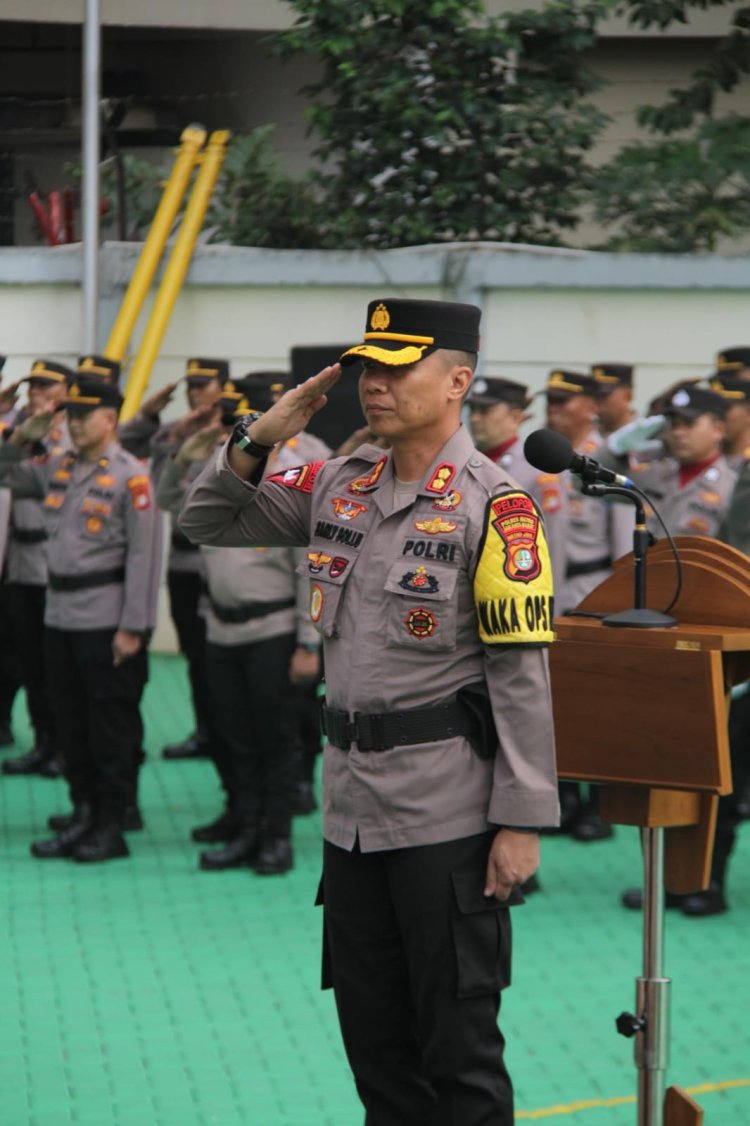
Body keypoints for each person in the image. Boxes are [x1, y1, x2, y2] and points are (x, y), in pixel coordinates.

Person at [180, 297, 559, 1125]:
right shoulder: (336, 485)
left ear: (458, 380)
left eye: (398, 368)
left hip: (447, 815)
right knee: (377, 1050)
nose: (375, 386)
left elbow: (521, 675)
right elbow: (205, 517)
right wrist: (261, 432)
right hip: (351, 813)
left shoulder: (500, 506)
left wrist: (522, 821)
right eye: (369, 369)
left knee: (458, 1054)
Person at [156, 378, 322, 873]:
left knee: (275, 738)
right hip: (221, 627)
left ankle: (275, 836)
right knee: (232, 735)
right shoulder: (219, 473)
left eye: (245, 424)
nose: (236, 432)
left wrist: (307, 642)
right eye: (234, 425)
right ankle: (244, 822)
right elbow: (173, 505)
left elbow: (309, 570)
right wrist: (183, 454)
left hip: (270, 630)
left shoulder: (291, 481)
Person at [0, 376, 162, 863]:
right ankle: (83, 813)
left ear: (110, 419)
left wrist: (134, 627)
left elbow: (144, 558)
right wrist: (27, 432)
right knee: (71, 725)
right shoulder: (60, 467)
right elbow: (5, 469)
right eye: (68, 416)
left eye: (82, 416)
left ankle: (110, 824)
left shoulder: (131, 476)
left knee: (107, 727)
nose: (72, 424)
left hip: (105, 619)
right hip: (59, 616)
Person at [545, 368, 632, 840]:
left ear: (588, 407)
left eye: (564, 402)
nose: (554, 410)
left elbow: (622, 542)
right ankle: (564, 800)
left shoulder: (607, 456)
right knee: (554, 701)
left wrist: (615, 602)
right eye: (550, 401)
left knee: (598, 700)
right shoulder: (544, 457)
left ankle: (599, 805)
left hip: (592, 590)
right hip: (550, 593)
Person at [150, 357, 229, 761]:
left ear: (223, 388)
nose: (195, 392)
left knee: (226, 662)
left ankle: (228, 736)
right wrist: (176, 439)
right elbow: (157, 489)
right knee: (196, 658)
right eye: (191, 386)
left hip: (222, 566)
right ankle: (205, 731)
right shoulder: (178, 433)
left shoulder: (237, 436)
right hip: (183, 563)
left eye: (204, 384)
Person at [2, 359, 72, 777]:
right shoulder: (17, 429)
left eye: (46, 387)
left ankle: (64, 745)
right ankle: (45, 740)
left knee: (56, 667)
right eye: (33, 387)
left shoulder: (71, 437)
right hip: (21, 564)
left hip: (54, 564)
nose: (35, 395)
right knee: (29, 661)